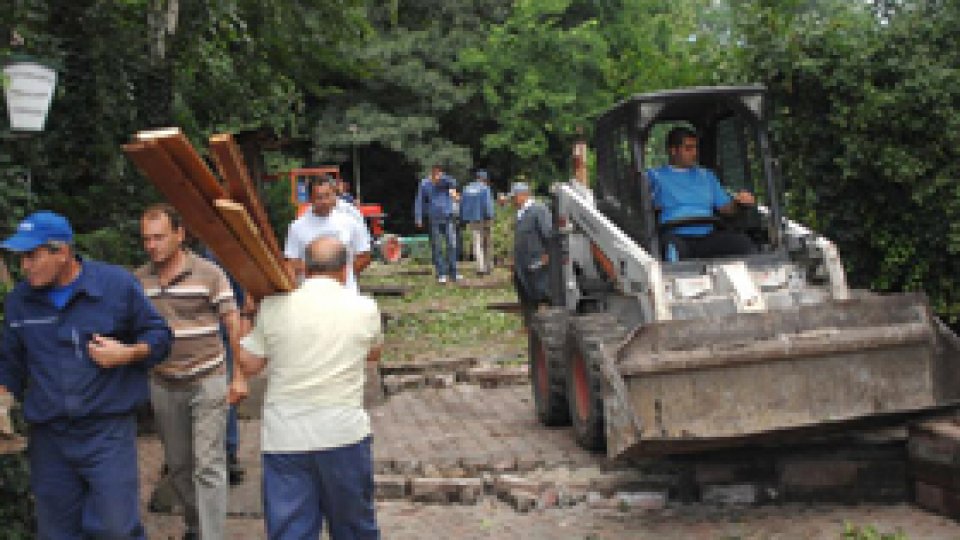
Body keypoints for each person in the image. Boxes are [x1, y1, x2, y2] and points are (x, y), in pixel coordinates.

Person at [0, 210, 173, 539]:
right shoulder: (21, 301)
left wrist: (128, 353)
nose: (24, 266)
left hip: (106, 433)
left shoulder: (115, 286)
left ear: (62, 252)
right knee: (56, 532)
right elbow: (10, 362)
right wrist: (2, 398)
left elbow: (160, 337)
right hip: (50, 438)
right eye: (21, 258)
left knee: (116, 529)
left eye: (32, 256)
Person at [236, 237, 381, 540]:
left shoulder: (274, 308)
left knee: (291, 532)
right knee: (355, 529)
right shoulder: (365, 308)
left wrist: (248, 314)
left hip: (286, 438)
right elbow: (372, 354)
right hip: (343, 434)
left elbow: (247, 364)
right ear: (345, 270)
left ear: (303, 267)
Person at [136, 203, 246, 540]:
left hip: (207, 378)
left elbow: (232, 322)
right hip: (164, 382)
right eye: (146, 239)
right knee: (179, 466)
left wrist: (239, 375)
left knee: (208, 463)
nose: (152, 245)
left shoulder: (209, 273)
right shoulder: (139, 280)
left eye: (159, 237)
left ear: (179, 234)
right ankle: (197, 526)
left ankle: (212, 535)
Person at [646, 126, 756, 261]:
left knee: (742, 244)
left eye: (695, 148)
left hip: (707, 236)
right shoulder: (654, 176)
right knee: (672, 252)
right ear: (673, 151)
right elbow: (640, 203)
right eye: (688, 148)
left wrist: (739, 202)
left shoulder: (707, 176)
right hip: (675, 236)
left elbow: (726, 208)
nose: (694, 153)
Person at [285, 176, 372, 292]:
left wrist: (343, 275)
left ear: (335, 196)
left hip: (344, 292)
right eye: (319, 197)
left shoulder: (350, 222)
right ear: (310, 199)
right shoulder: (297, 227)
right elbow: (291, 262)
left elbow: (364, 256)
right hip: (311, 293)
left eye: (328, 196)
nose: (324, 202)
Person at [511, 182, 552, 328]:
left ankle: (543, 325)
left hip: (536, 259)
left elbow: (548, 233)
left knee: (540, 292)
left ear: (524, 195)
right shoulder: (521, 212)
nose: (513, 200)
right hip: (522, 260)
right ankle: (529, 325)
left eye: (515, 197)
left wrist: (547, 254)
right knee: (524, 291)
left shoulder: (539, 210)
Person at [414, 164, 460, 283]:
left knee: (452, 245)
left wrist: (443, 178)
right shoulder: (424, 183)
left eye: (439, 172)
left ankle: (454, 273)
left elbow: (454, 183)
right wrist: (418, 217)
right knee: (437, 247)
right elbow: (419, 200)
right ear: (431, 171)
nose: (437, 174)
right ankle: (441, 273)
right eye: (435, 171)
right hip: (434, 218)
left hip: (448, 217)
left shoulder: (445, 182)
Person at [460, 169, 496, 275]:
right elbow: (488, 204)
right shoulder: (485, 188)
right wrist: (490, 216)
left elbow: (462, 204)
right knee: (487, 243)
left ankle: (480, 268)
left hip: (473, 219)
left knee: (477, 243)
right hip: (485, 218)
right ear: (484, 179)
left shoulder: (467, 188)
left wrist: (463, 217)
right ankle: (488, 266)